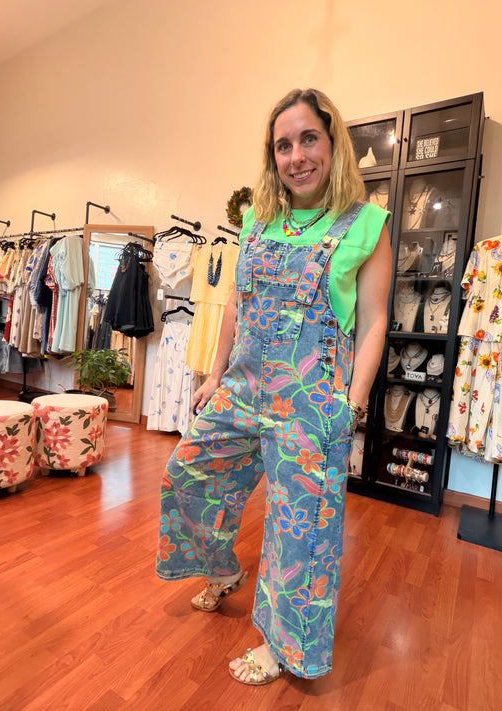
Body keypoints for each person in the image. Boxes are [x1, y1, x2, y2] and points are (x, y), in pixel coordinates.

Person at [156, 88, 392, 685]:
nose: (297, 156)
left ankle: (281, 646)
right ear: (273, 157)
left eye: (309, 138)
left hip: (311, 403)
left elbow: (374, 321)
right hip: (240, 388)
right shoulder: (256, 220)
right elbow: (236, 305)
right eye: (283, 145)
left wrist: (352, 405)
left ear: (333, 143)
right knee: (187, 473)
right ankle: (223, 569)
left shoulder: (367, 224)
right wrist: (214, 374)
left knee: (299, 529)